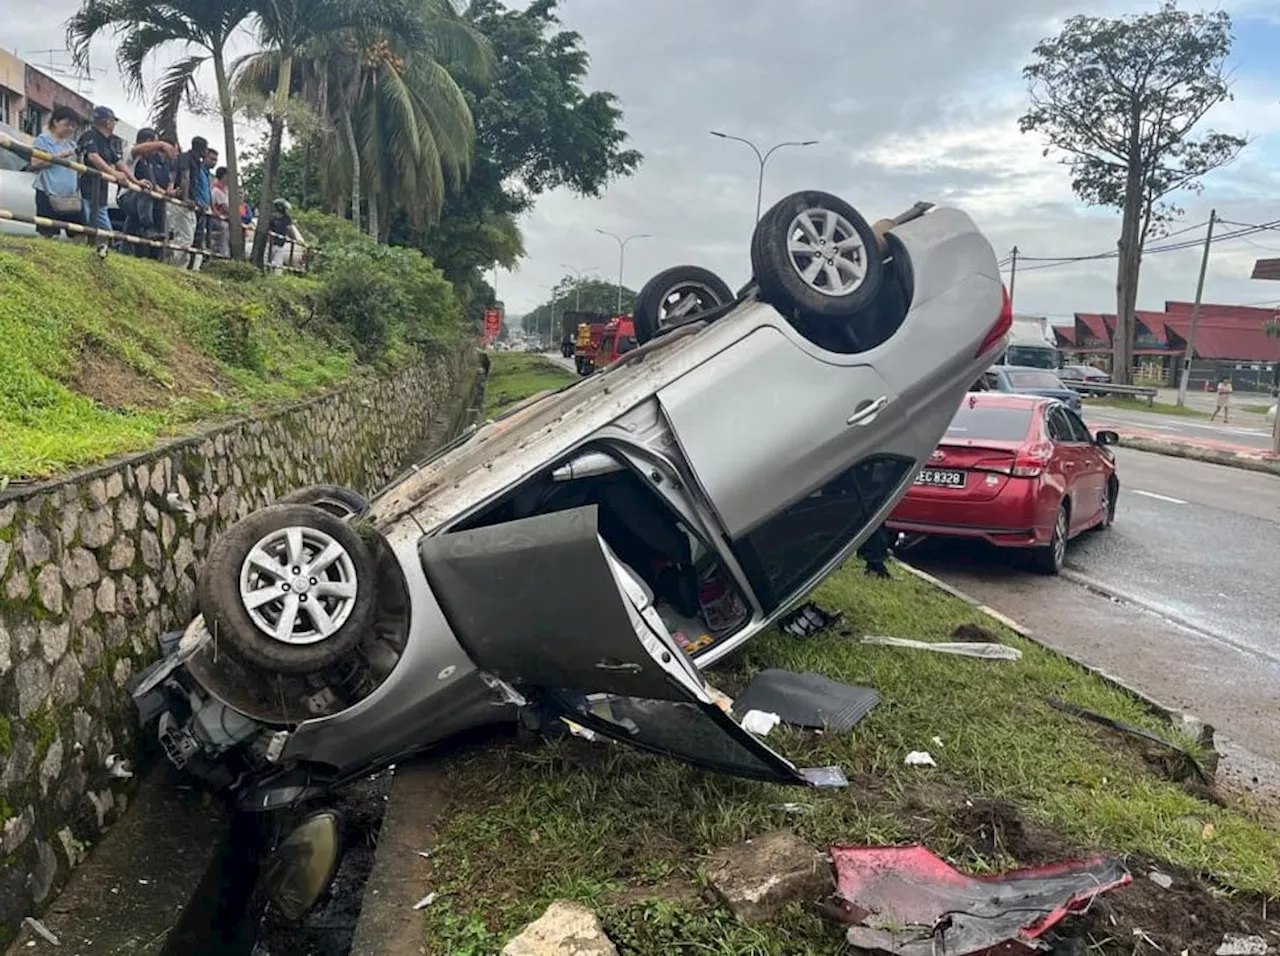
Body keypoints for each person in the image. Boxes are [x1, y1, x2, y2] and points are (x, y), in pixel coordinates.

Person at [78, 105, 148, 251]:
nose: (114, 125)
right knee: (93, 225)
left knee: (102, 228)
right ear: (107, 122)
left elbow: (119, 162)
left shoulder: (107, 141)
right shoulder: (90, 135)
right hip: (88, 188)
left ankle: (97, 251)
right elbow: (93, 157)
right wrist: (114, 173)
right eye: (113, 121)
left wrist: (134, 181)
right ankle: (91, 251)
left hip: (101, 189)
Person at [30, 105, 84, 239]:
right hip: (47, 193)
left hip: (70, 196)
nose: (70, 129)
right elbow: (35, 163)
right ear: (55, 122)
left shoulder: (72, 145)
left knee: (79, 233)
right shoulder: (42, 140)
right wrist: (60, 156)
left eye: (73, 126)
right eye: (67, 124)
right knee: (47, 234)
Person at [169, 135, 206, 267]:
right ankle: (176, 267)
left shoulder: (196, 162)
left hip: (191, 203)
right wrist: (185, 199)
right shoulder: (186, 158)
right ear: (202, 149)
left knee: (188, 237)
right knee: (184, 238)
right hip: (183, 203)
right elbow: (185, 177)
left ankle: (180, 267)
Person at [267, 198, 304, 273]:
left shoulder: (286, 219)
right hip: (269, 244)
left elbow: (290, 230)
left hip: (280, 245)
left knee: (278, 268)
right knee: (266, 263)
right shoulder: (271, 218)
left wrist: (296, 240)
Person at [210, 164, 230, 259]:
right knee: (221, 240)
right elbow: (225, 208)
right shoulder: (217, 190)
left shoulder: (226, 190)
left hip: (224, 220)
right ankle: (221, 257)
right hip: (218, 220)